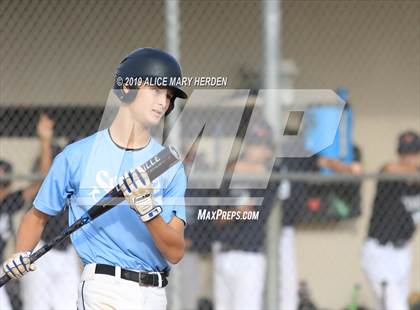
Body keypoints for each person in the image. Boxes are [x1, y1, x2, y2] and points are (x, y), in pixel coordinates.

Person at [2, 48, 188, 310]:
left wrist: (148, 210)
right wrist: (20, 253)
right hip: (104, 288)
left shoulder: (169, 166)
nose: (164, 103)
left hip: (154, 294)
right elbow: (36, 216)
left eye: (169, 96)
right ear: (126, 87)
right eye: (156, 91)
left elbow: (175, 251)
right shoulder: (77, 156)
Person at [214, 120, 276, 310]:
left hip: (250, 256)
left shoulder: (270, 177)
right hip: (223, 253)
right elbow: (218, 217)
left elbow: (252, 213)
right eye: (251, 143)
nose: (253, 149)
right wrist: (235, 212)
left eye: (259, 145)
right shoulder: (232, 172)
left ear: (267, 151)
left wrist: (235, 213)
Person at [0, 114, 55, 310]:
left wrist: (45, 140)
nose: (1, 189)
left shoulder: (8, 201)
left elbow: (43, 181)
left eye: (4, 184)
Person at [362, 130, 420, 310]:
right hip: (380, 252)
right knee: (395, 306)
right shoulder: (391, 176)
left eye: (414, 154)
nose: (409, 159)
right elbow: (389, 168)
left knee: (394, 305)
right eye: (405, 154)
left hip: (403, 252)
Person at [20, 143, 81, 309]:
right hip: (41, 249)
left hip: (66, 251)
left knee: (69, 304)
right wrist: (45, 139)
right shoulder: (43, 186)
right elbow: (46, 174)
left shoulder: (74, 184)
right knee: (37, 305)